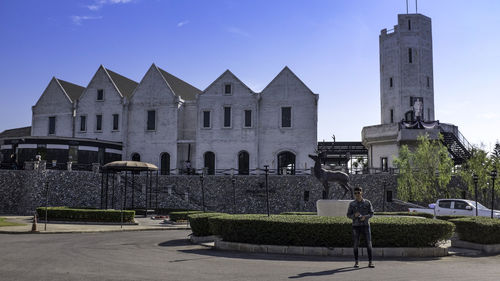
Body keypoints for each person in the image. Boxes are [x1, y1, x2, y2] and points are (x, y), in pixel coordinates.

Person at [346, 187, 374, 268]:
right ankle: (356, 262)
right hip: (356, 226)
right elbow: (348, 215)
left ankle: (370, 262)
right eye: (355, 193)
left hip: (365, 225)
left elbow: (372, 213)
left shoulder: (367, 203)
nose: (357, 194)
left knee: (369, 243)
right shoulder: (352, 204)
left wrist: (365, 217)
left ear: (362, 193)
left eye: (358, 192)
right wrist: (354, 216)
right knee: (355, 244)